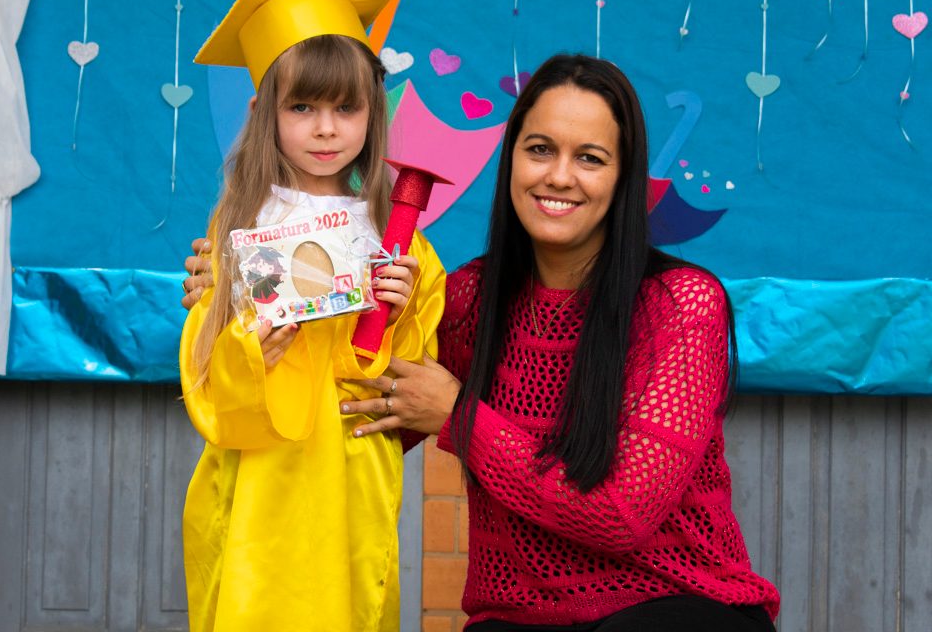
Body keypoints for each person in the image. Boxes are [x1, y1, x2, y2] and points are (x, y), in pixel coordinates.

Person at [182, 53, 781, 630]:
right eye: (540, 150)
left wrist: (460, 417)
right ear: (511, 160)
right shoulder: (468, 298)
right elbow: (357, 404)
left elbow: (621, 513)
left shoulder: (680, 304)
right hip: (518, 615)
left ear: (623, 177)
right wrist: (237, 293)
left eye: (591, 158)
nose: (559, 176)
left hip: (672, 601)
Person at [180, 0, 445, 632]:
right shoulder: (235, 231)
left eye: (345, 108)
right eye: (302, 107)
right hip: (258, 480)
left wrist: (402, 306)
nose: (326, 129)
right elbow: (205, 373)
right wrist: (248, 347)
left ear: (373, 114)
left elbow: (405, 380)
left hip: (350, 476)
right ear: (262, 113)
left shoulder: (400, 238)